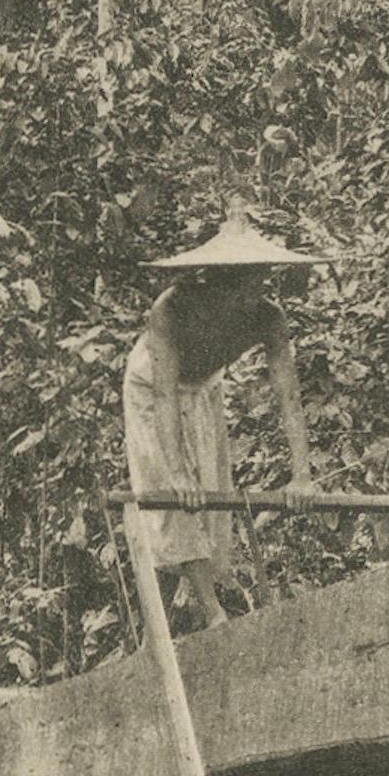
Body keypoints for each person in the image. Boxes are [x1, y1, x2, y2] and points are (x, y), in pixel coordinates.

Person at [123, 213, 332, 627]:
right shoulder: (171, 309)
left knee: (212, 495)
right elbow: (164, 395)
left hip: (204, 388)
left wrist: (302, 475)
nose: (245, 297)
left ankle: (159, 628)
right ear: (212, 279)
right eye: (236, 286)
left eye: (256, 285)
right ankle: (212, 613)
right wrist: (178, 473)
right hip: (151, 388)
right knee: (171, 490)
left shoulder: (268, 317)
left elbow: (288, 396)